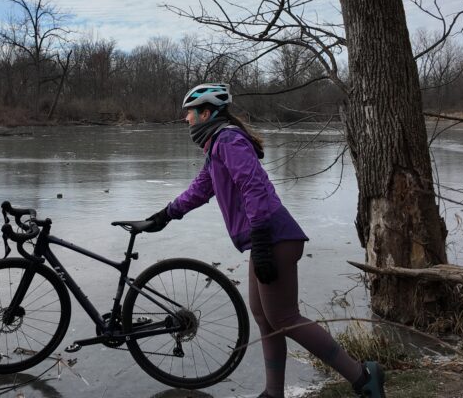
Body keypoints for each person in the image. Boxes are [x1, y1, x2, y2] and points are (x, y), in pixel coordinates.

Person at [146, 83, 386, 398]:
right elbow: (200, 189)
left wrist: (260, 240)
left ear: (206, 113)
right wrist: (165, 215)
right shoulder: (218, 145)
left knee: (284, 317)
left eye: (189, 113)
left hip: (274, 237)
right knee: (265, 318)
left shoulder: (229, 140)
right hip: (266, 238)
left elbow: (253, 186)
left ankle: (362, 377)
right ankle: (274, 393)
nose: (186, 119)